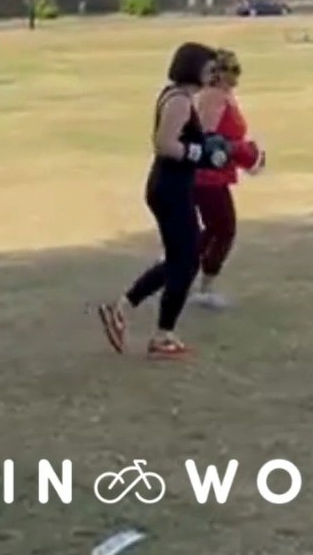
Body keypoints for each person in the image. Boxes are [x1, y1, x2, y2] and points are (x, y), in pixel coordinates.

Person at [98, 41, 228, 360]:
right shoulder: (179, 100)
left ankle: (123, 311)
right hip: (169, 188)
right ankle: (161, 334)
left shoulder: (183, 98)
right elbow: (164, 144)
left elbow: (183, 143)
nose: (213, 75)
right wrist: (199, 153)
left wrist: (211, 149)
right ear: (192, 67)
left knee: (179, 258)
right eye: (208, 68)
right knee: (186, 260)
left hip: (173, 186)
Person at [192, 47, 264, 310]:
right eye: (231, 70)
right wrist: (239, 152)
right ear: (217, 73)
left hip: (216, 174)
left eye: (238, 70)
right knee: (223, 229)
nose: (236, 76)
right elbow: (208, 140)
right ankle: (203, 287)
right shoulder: (213, 98)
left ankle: (175, 268)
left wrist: (246, 156)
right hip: (206, 176)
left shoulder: (224, 96)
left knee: (214, 229)